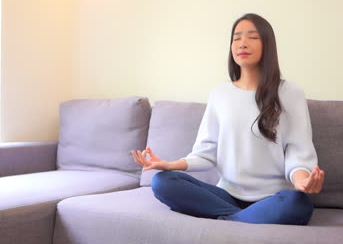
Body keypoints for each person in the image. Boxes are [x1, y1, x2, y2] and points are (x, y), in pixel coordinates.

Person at [130, 13, 325, 225]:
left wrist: (303, 182)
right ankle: (238, 218)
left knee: (298, 203)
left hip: (273, 198)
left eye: (252, 37)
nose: (242, 43)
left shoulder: (290, 93)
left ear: (268, 45)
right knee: (162, 182)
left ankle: (227, 220)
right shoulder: (219, 94)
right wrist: (170, 165)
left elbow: (297, 152)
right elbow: (206, 153)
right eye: (236, 38)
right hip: (226, 195)